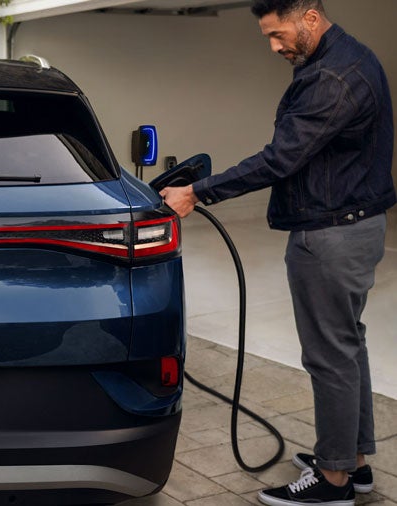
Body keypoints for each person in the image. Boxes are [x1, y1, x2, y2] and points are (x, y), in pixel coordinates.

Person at [160, 1, 395, 505]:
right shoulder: (351, 57)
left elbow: (280, 158)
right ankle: (353, 463)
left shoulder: (332, 78)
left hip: (331, 236)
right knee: (347, 345)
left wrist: (197, 191)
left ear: (310, 17)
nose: (274, 46)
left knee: (330, 357)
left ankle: (333, 484)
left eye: (277, 34)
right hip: (355, 225)